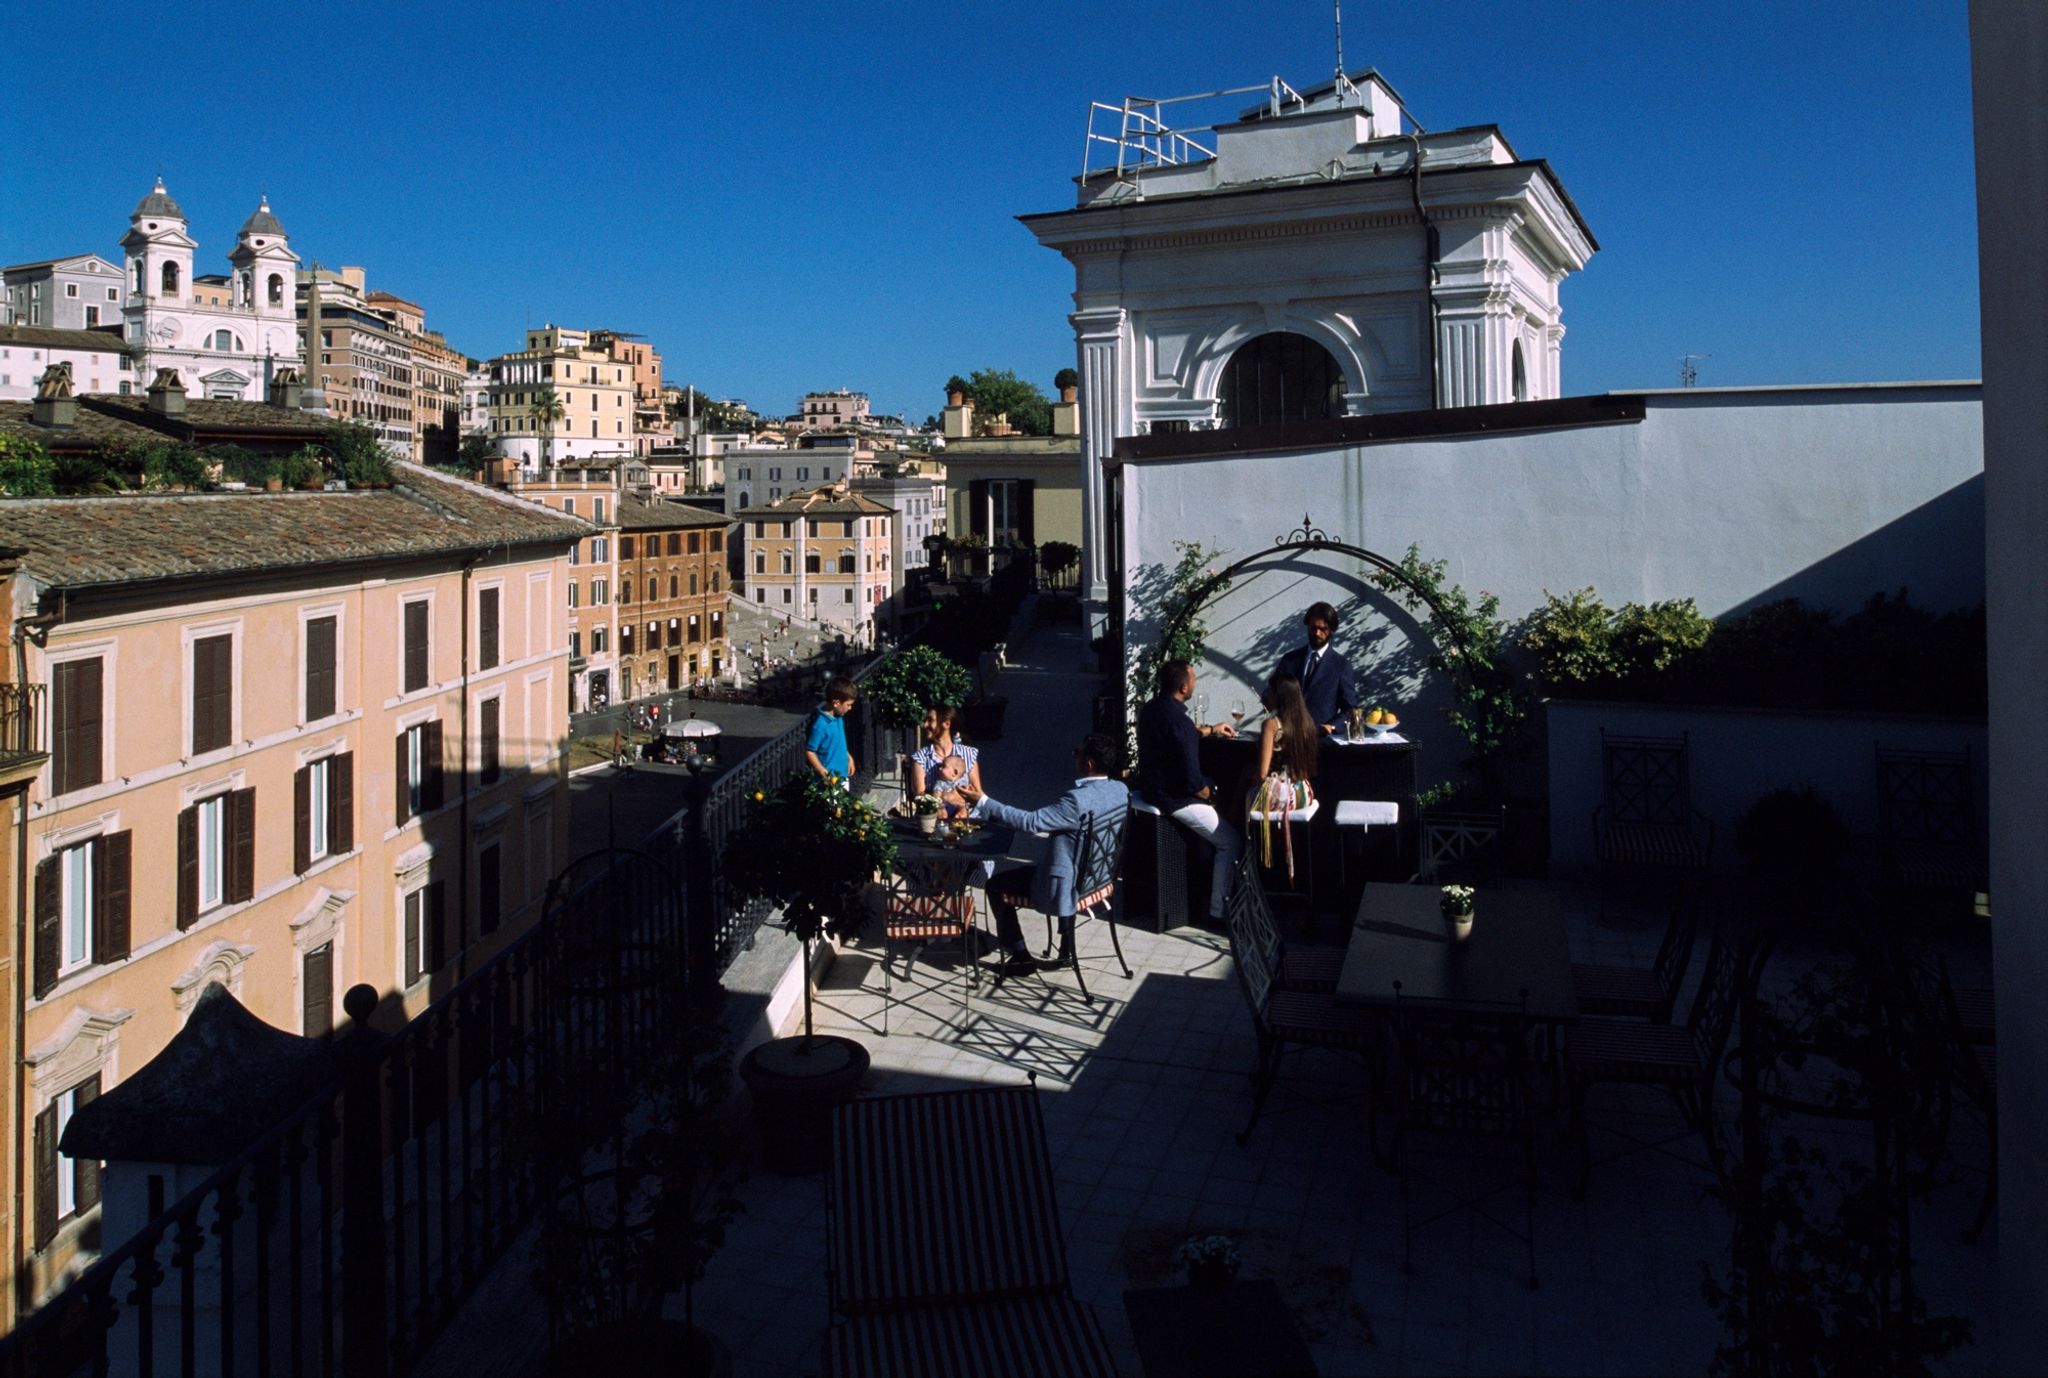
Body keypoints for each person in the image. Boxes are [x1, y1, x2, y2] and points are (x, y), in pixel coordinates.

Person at [957, 733, 1128, 976]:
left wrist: (983, 801)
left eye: (1077, 753)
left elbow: (1030, 822)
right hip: (1097, 878)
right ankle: (1065, 948)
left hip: (1066, 887)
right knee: (1058, 862)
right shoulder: (1120, 790)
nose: (1075, 757)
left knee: (995, 885)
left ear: (1088, 764)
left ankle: (1020, 956)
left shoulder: (1075, 802)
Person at [1135, 659, 1242, 923]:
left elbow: (1181, 735)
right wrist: (1213, 797)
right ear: (1184, 687)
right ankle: (1218, 912)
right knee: (1231, 841)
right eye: (1193, 679)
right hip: (1175, 799)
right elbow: (1193, 781)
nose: (1195, 683)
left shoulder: (1151, 709)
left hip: (1151, 787)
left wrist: (1210, 730)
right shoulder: (1180, 723)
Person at [1272, 601, 1359, 733]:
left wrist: (1331, 727)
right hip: (1288, 737)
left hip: (1321, 741)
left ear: (1331, 631)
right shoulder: (1289, 659)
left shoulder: (1341, 665)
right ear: (1308, 626)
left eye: (1323, 629)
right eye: (1313, 628)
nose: (1317, 633)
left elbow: (1350, 709)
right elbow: (1272, 692)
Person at [908, 705, 984, 816]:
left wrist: (964, 809)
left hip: (967, 816)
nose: (925, 725)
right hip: (934, 817)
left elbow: (977, 792)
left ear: (946, 724)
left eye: (930, 720)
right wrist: (941, 802)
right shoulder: (921, 757)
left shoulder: (968, 754)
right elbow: (919, 795)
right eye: (925, 721)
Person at [804, 676, 858, 783]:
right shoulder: (820, 725)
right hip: (829, 779)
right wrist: (822, 771)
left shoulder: (838, 718)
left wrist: (849, 757)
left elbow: (839, 743)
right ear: (836, 703)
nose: (850, 708)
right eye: (848, 705)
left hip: (842, 774)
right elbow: (810, 751)